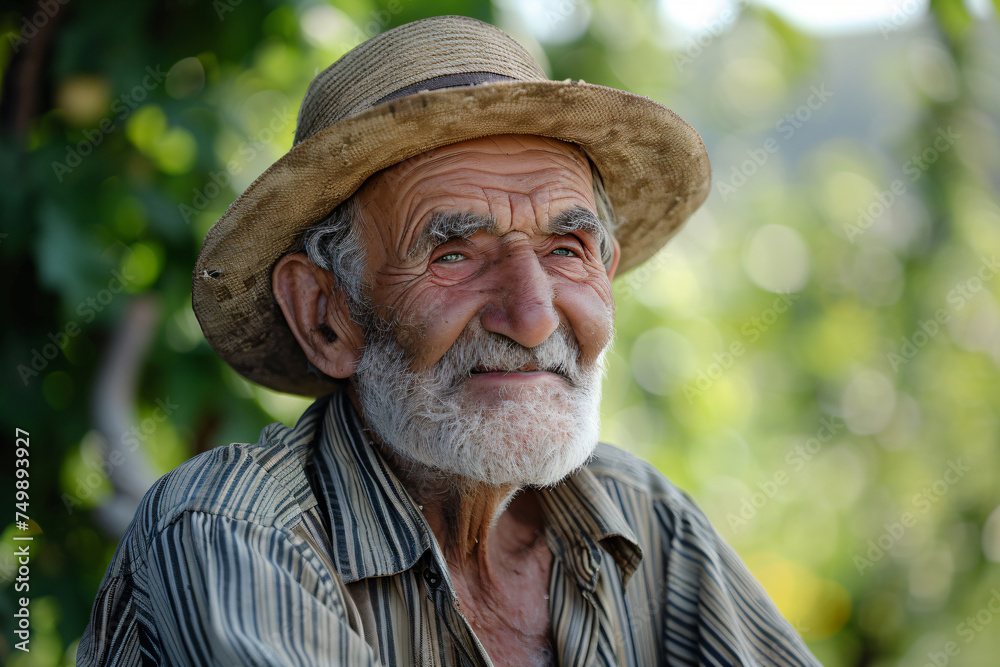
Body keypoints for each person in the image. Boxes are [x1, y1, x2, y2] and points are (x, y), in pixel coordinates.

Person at [79, 15, 820, 667]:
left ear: (607, 273)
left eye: (568, 249)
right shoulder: (233, 531)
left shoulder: (641, 518)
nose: (533, 317)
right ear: (325, 315)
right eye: (453, 254)